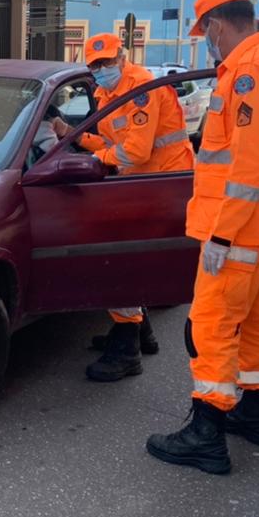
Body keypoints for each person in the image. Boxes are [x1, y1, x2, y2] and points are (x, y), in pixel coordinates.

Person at [146, 0, 259, 476]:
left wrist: (221, 234)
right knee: (257, 324)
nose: (206, 42)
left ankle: (206, 433)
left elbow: (247, 166)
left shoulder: (249, 74)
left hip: (238, 230)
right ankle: (255, 415)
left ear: (216, 24)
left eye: (205, 32)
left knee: (212, 327)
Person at [59, 32, 195, 383]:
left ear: (123, 57)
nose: (102, 69)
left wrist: (97, 160)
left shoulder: (140, 90)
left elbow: (134, 152)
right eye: (96, 65)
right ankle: (140, 333)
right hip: (141, 182)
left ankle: (127, 350)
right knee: (134, 261)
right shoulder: (107, 92)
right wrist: (70, 134)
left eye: (107, 62)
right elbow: (110, 141)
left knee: (121, 264)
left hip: (162, 182)